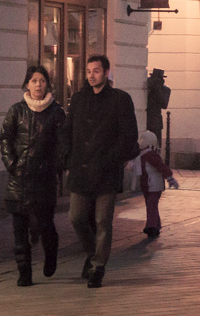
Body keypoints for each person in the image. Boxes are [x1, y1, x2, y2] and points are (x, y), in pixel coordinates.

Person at [60, 54, 140, 289]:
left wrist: (111, 158)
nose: (91, 75)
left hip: (105, 171)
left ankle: (98, 267)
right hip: (81, 170)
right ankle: (91, 253)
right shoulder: (78, 99)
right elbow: (67, 131)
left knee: (103, 220)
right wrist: (68, 158)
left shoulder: (120, 99)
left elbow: (128, 136)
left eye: (96, 71)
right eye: (88, 71)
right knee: (77, 217)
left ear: (106, 73)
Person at [0, 65, 66, 287]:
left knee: (46, 224)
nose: (38, 85)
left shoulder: (56, 113)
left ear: (48, 84)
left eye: (42, 81)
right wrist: (12, 164)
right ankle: (24, 272)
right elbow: (5, 138)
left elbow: (63, 144)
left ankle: (51, 254)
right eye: (34, 80)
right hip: (19, 179)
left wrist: (54, 166)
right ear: (27, 84)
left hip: (44, 180)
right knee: (20, 229)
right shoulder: (16, 111)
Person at [129, 131, 179, 238]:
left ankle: (151, 227)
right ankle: (156, 225)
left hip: (153, 185)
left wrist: (170, 178)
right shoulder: (143, 154)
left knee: (151, 205)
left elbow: (161, 167)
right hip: (148, 185)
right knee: (151, 206)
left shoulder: (149, 155)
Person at [145, 68, 171, 141]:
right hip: (146, 118)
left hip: (156, 120)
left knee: (156, 143)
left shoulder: (165, 90)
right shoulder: (148, 88)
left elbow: (164, 104)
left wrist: (157, 89)